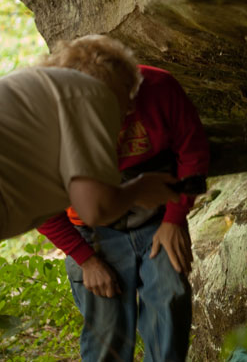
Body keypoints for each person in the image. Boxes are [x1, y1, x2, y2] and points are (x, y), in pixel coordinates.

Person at [38, 64, 210, 361]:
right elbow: (40, 206)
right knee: (107, 332)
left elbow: (193, 153)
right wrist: (85, 259)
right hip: (90, 232)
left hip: (154, 219)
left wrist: (174, 220)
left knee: (169, 296)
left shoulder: (158, 88)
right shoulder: (48, 123)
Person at [0, 35, 178, 240]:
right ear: (107, 77)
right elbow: (96, 209)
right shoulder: (88, 90)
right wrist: (140, 189)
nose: (131, 108)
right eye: (127, 88)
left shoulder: (38, 102)